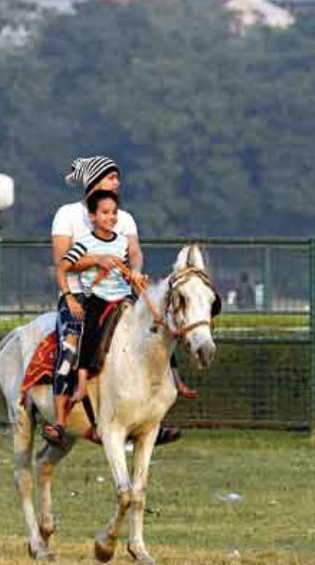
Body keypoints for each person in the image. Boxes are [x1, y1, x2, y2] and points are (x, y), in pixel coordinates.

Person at [49, 155, 193, 444]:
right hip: (78, 295)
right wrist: (97, 260)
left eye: (117, 177)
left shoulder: (123, 217)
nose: (117, 182)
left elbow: (135, 251)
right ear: (94, 181)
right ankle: (60, 420)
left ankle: (154, 413)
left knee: (156, 328)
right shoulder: (66, 214)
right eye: (111, 177)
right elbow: (61, 260)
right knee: (69, 349)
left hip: (119, 292)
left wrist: (136, 272)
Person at [45, 189, 134, 446]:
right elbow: (62, 267)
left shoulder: (121, 242)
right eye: (105, 213)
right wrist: (70, 298)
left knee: (155, 325)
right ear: (93, 216)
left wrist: (134, 277)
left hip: (123, 297)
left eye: (114, 213)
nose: (111, 217)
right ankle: (81, 384)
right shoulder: (84, 243)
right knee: (87, 331)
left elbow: (126, 271)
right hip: (96, 296)